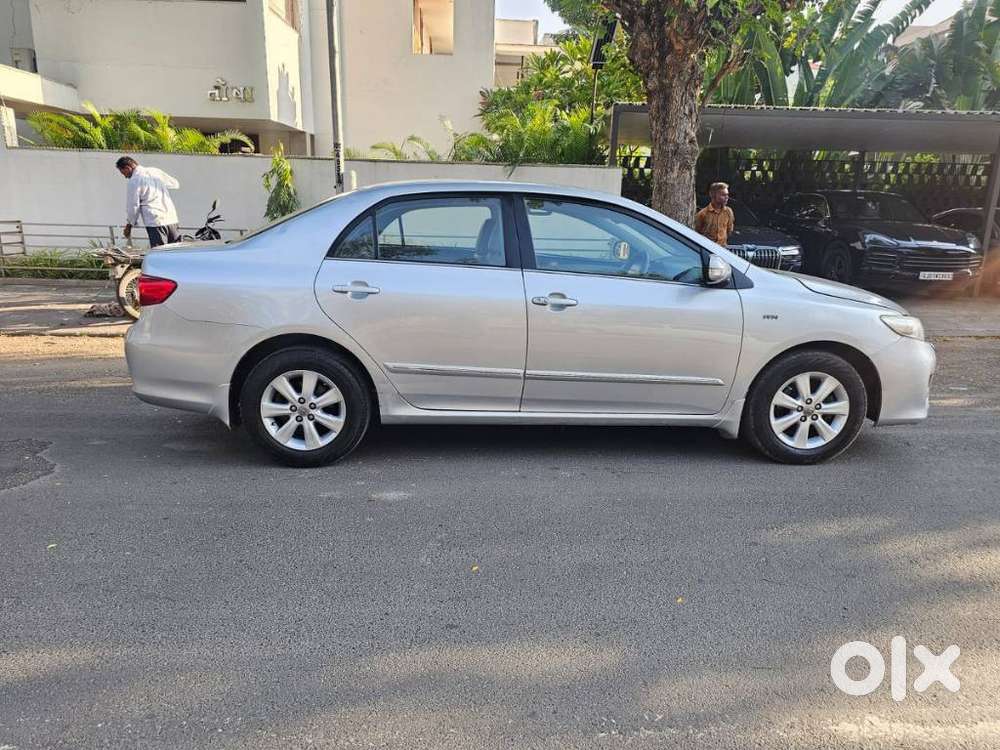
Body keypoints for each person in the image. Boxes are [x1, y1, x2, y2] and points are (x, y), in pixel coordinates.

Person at [116, 156, 181, 248]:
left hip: (155, 221)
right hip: (171, 217)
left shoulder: (134, 180)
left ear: (128, 168)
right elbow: (175, 184)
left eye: (124, 173)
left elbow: (133, 206)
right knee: (176, 251)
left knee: (159, 254)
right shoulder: (155, 171)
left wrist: (129, 225)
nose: (125, 176)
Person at [694, 181, 735, 247]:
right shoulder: (703, 214)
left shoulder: (728, 212)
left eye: (727, 195)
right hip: (707, 248)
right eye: (723, 195)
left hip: (723, 248)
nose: (726, 197)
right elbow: (697, 232)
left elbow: (729, 230)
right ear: (713, 195)